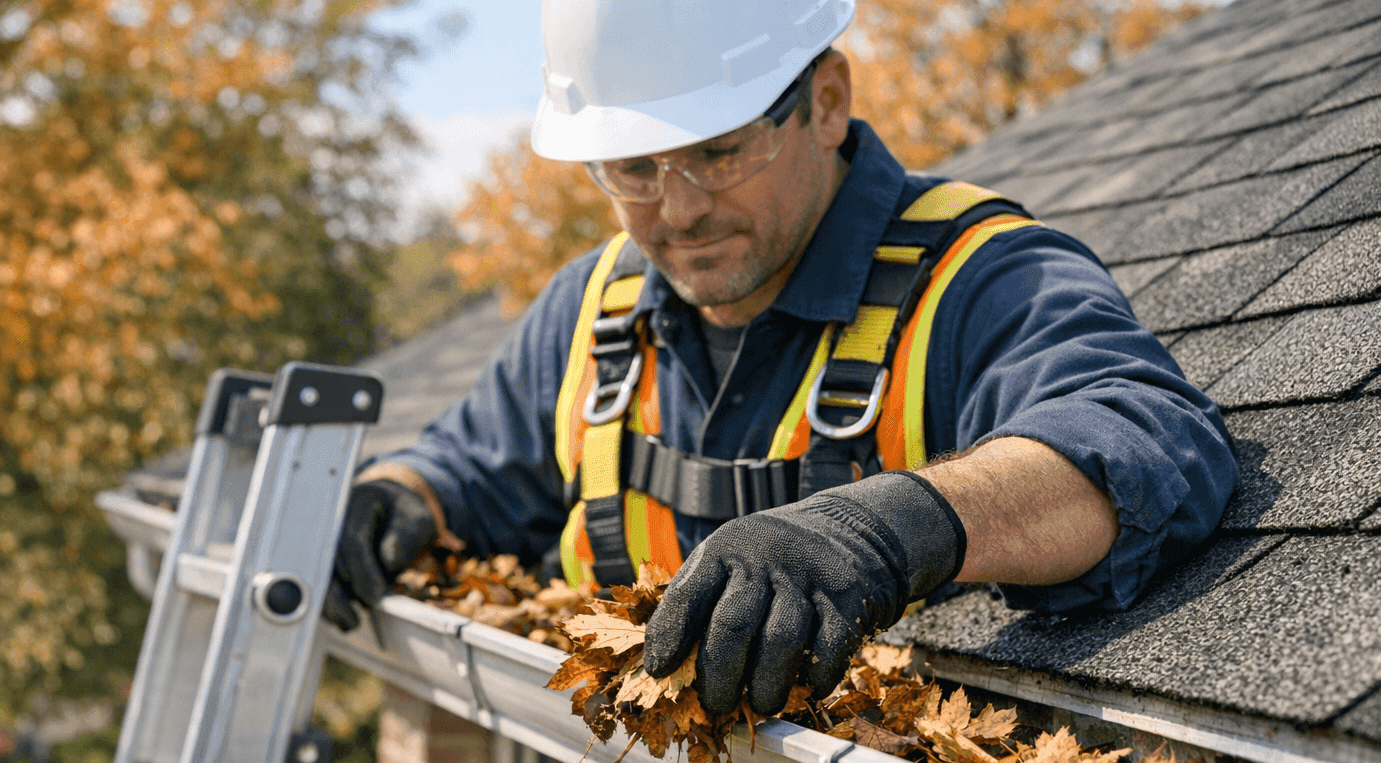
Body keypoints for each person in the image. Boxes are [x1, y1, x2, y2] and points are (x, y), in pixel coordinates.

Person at [323, 0, 1237, 719]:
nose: (676, 212)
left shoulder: (980, 279)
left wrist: (882, 532)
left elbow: (1143, 438)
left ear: (827, 101)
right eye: (632, 170)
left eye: (717, 152)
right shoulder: (589, 308)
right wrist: (402, 490)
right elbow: (473, 467)